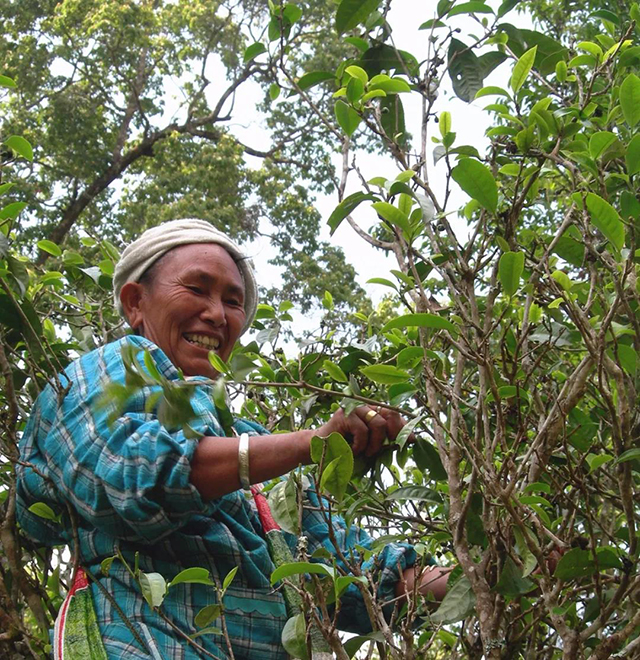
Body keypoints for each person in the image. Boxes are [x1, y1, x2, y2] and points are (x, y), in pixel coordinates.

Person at [17, 219, 449, 659]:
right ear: (135, 302)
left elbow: (347, 573)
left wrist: (478, 578)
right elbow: (131, 477)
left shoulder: (248, 441)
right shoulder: (104, 373)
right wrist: (311, 442)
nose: (218, 314)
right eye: (197, 289)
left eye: (233, 301)